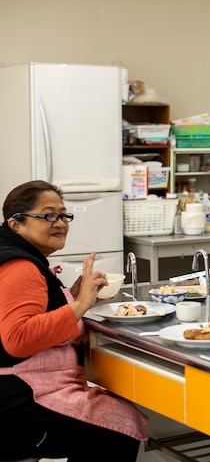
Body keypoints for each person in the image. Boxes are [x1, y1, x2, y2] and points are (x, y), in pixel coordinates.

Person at [0, 180, 148, 461]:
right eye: (48, 215)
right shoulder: (20, 266)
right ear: (15, 224)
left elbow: (35, 309)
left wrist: (73, 295)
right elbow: (18, 339)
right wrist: (80, 305)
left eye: (63, 215)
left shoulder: (17, 255)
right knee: (117, 428)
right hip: (19, 400)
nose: (60, 223)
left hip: (23, 388)